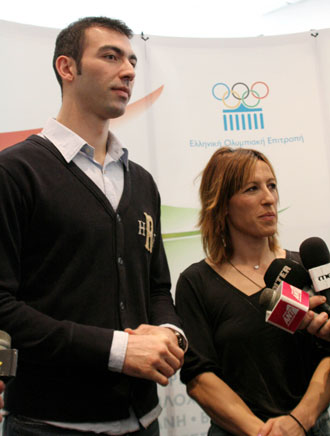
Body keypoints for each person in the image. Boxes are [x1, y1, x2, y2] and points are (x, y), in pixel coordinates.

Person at [0, 16, 186, 436]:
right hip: (49, 424)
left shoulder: (142, 182)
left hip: (144, 422)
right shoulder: (15, 173)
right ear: (67, 68)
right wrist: (118, 349)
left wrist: (170, 334)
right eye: (111, 56)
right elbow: (2, 305)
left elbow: (156, 287)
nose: (130, 71)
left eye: (132, 60)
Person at [175, 147, 330, 436]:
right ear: (222, 204)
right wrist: (264, 433)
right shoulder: (196, 282)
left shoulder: (307, 267)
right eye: (252, 189)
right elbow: (200, 377)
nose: (269, 198)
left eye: (271, 186)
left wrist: (298, 421)